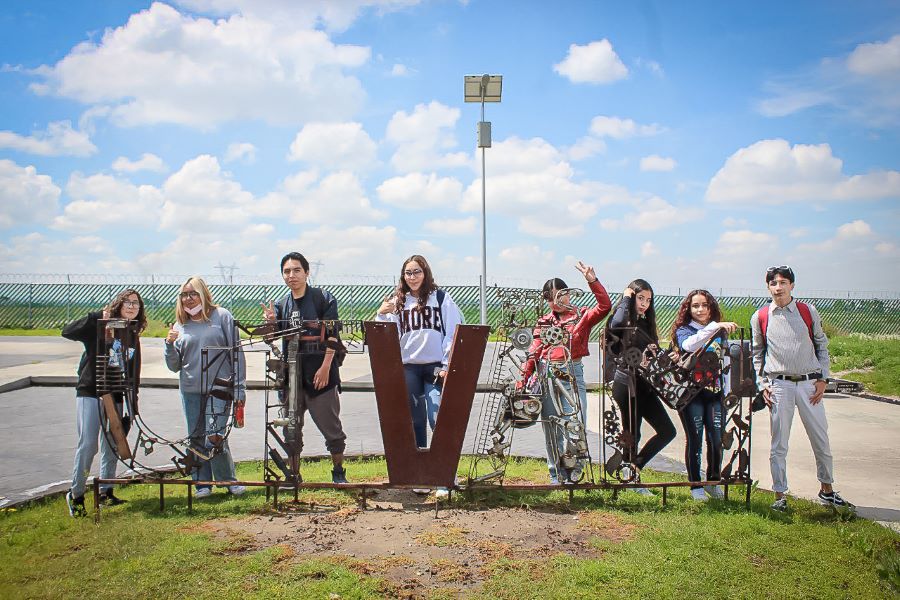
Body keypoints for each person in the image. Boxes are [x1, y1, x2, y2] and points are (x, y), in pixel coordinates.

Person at [751, 265, 850, 511]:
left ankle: (827, 490)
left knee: (820, 439)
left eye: (783, 282)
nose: (778, 287)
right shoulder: (761, 316)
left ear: (792, 285)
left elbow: (821, 345)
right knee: (779, 444)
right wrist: (762, 384)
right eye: (774, 283)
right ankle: (779, 496)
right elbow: (757, 354)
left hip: (809, 385)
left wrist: (823, 378)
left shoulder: (808, 311)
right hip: (779, 385)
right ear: (768, 287)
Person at [521, 261, 612, 484]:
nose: (556, 302)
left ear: (568, 294)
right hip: (547, 375)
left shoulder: (582, 315)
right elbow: (534, 352)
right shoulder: (543, 322)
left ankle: (574, 467)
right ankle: (556, 474)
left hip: (572, 373)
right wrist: (523, 380)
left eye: (560, 296)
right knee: (551, 427)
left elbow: (605, 307)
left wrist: (592, 280)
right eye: (550, 298)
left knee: (576, 423)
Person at [261, 252, 348, 484]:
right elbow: (271, 338)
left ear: (307, 272)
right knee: (291, 429)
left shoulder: (324, 299)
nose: (292, 275)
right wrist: (270, 322)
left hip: (321, 375)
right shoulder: (281, 305)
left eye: (296, 270)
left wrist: (325, 367)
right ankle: (294, 475)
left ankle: (338, 471)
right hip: (291, 378)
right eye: (287, 271)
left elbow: (332, 335)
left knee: (332, 428)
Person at [62, 288, 145, 517]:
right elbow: (67, 331)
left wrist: (133, 405)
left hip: (117, 395)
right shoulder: (99, 323)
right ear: (118, 304)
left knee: (112, 443)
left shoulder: (131, 335)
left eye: (136, 304)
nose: (131, 306)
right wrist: (97, 316)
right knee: (89, 444)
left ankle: (105, 491)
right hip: (91, 391)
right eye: (127, 302)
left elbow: (133, 373)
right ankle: (76, 493)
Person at [164, 276, 246, 498]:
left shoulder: (222, 317)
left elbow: (236, 354)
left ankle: (228, 480)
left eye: (193, 294)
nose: (189, 299)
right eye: (184, 295)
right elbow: (174, 366)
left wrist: (239, 388)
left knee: (215, 434)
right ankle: (202, 483)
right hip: (191, 389)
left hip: (220, 387)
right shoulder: (180, 325)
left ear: (203, 294)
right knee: (196, 436)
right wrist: (169, 344)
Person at [375, 255, 464, 448]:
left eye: (417, 272)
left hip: (434, 367)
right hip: (408, 367)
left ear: (425, 273)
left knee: (437, 417)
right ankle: (419, 470)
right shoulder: (397, 301)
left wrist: (447, 364)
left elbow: (453, 332)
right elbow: (387, 337)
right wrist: (381, 313)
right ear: (403, 276)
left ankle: (446, 470)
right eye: (408, 273)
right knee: (414, 421)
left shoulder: (440, 298)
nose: (412, 277)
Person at [604, 278, 676, 495]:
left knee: (667, 431)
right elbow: (615, 325)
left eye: (648, 299)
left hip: (645, 385)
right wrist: (626, 299)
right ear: (631, 296)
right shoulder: (622, 320)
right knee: (632, 433)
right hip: (625, 383)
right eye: (640, 298)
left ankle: (633, 468)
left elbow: (649, 357)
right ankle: (630, 480)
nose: (644, 303)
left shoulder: (645, 323)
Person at [670, 289, 739, 501]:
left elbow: (724, 361)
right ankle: (695, 485)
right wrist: (714, 327)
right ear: (688, 309)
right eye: (695, 306)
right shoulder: (685, 330)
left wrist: (726, 392)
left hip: (715, 392)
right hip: (692, 394)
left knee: (716, 438)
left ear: (711, 308)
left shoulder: (720, 331)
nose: (700, 310)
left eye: (705, 305)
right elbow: (689, 345)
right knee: (695, 438)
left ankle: (713, 480)